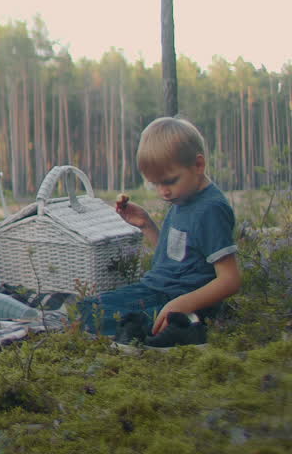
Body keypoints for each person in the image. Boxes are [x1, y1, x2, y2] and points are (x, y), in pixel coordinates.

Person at [78, 117, 240, 346]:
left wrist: (181, 304)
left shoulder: (211, 210)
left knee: (115, 320)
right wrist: (146, 224)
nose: (163, 192)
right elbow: (175, 258)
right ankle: (153, 330)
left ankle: (187, 325)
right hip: (156, 289)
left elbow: (230, 280)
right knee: (88, 308)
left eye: (169, 181)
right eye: (155, 184)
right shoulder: (183, 199)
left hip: (182, 298)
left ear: (198, 165)